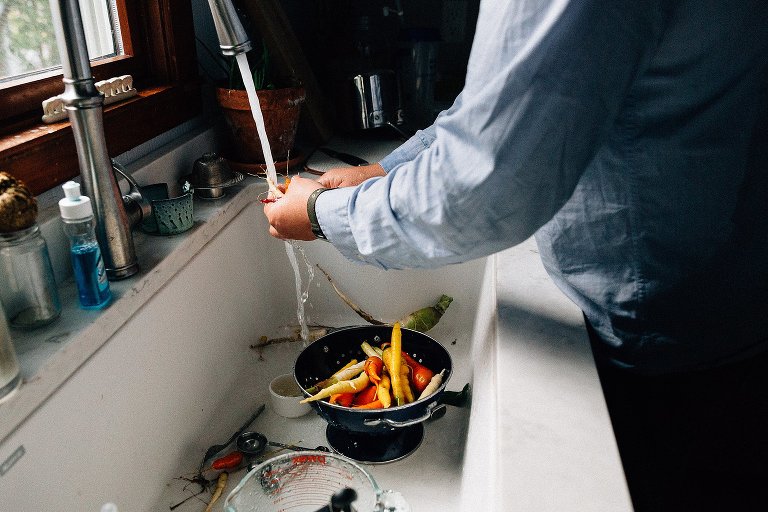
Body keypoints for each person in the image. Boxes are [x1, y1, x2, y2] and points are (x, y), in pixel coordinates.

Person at [264, 1, 768, 509]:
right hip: (710, 297)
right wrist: (386, 172)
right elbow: (498, 106)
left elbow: (485, 191)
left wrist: (321, 215)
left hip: (674, 343)